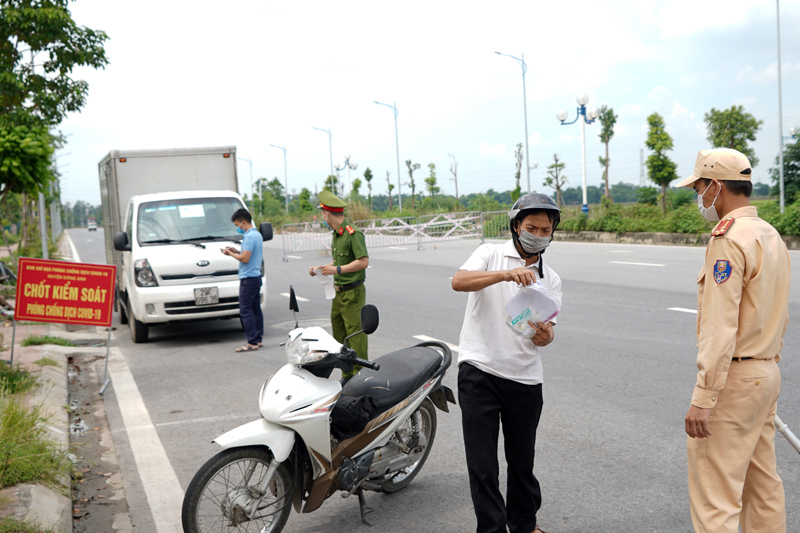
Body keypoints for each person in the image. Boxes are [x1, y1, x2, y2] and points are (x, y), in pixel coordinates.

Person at [679, 148, 790, 533]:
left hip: (735, 381)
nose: (699, 197)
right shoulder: (769, 234)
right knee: (762, 489)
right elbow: (781, 312)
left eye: (698, 188)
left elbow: (719, 326)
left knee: (716, 499)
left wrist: (704, 397)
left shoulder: (728, 238)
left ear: (715, 186)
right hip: (766, 373)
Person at [452, 192, 562, 533]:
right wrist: (504, 275)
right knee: (483, 465)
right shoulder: (490, 253)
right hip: (479, 371)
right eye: (532, 227)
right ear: (516, 226)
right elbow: (459, 281)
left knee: (522, 462)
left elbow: (549, 332)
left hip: (525, 379)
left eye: (546, 230)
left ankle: (525, 524)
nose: (539, 234)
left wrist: (545, 337)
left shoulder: (552, 278)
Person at [308, 190, 369, 379]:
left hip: (352, 293)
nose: (322, 217)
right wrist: (322, 267)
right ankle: (347, 375)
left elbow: (363, 261)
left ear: (327, 213)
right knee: (340, 338)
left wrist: (338, 270)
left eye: (322, 214)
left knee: (355, 337)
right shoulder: (337, 234)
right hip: (338, 294)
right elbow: (339, 260)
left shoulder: (353, 233)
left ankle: (360, 376)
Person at [222, 208, 264, 353]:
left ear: (243, 222)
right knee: (255, 309)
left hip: (248, 278)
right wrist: (236, 251)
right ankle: (258, 339)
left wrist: (230, 254)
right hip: (256, 277)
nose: (237, 228)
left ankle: (251, 342)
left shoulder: (249, 236)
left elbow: (245, 259)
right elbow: (247, 254)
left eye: (237, 225)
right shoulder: (257, 234)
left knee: (245, 310)